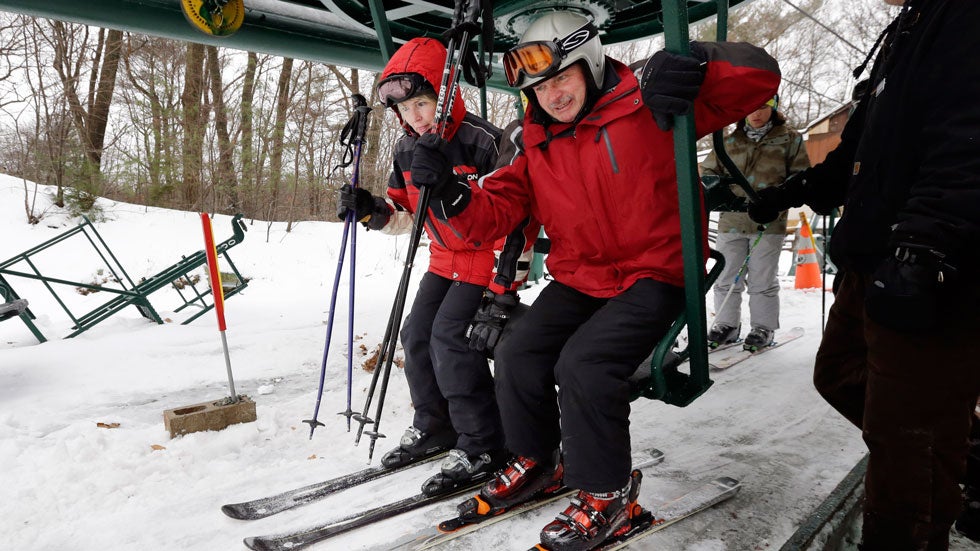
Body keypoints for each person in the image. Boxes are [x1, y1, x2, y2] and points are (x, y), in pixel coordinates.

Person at [408, 11, 779, 550]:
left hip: (657, 272)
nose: (552, 95)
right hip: (583, 275)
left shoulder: (650, 103)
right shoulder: (533, 140)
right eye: (540, 86)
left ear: (591, 60)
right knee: (518, 351)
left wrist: (698, 64)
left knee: (583, 363)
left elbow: (760, 77)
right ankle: (537, 460)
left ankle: (608, 496)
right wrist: (452, 194)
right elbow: (496, 212)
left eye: (562, 77)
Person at [746, 0, 980, 548]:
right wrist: (785, 193)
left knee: (906, 443)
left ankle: (921, 505)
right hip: (873, 259)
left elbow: (968, 139)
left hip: (932, 264)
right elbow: (858, 155)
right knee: (840, 373)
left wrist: (925, 246)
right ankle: (961, 454)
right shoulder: (909, 31)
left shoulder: (964, 17)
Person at [336, 37, 528, 496]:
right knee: (415, 334)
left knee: (449, 338)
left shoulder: (483, 141)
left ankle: (484, 441)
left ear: (444, 97)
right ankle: (436, 424)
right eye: (405, 110)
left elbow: (515, 218)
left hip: (483, 261)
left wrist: (505, 286)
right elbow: (407, 215)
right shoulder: (407, 151)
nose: (415, 117)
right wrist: (370, 210)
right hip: (443, 261)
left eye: (422, 103)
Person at [700, 94, 810, 350]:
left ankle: (763, 327)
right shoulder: (729, 141)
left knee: (762, 279)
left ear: (773, 107)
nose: (756, 113)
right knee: (726, 276)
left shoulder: (789, 139)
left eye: (762, 106)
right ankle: (726, 325)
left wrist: (780, 201)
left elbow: (800, 177)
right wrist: (720, 193)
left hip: (768, 222)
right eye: (751, 107)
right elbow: (708, 171)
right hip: (732, 220)